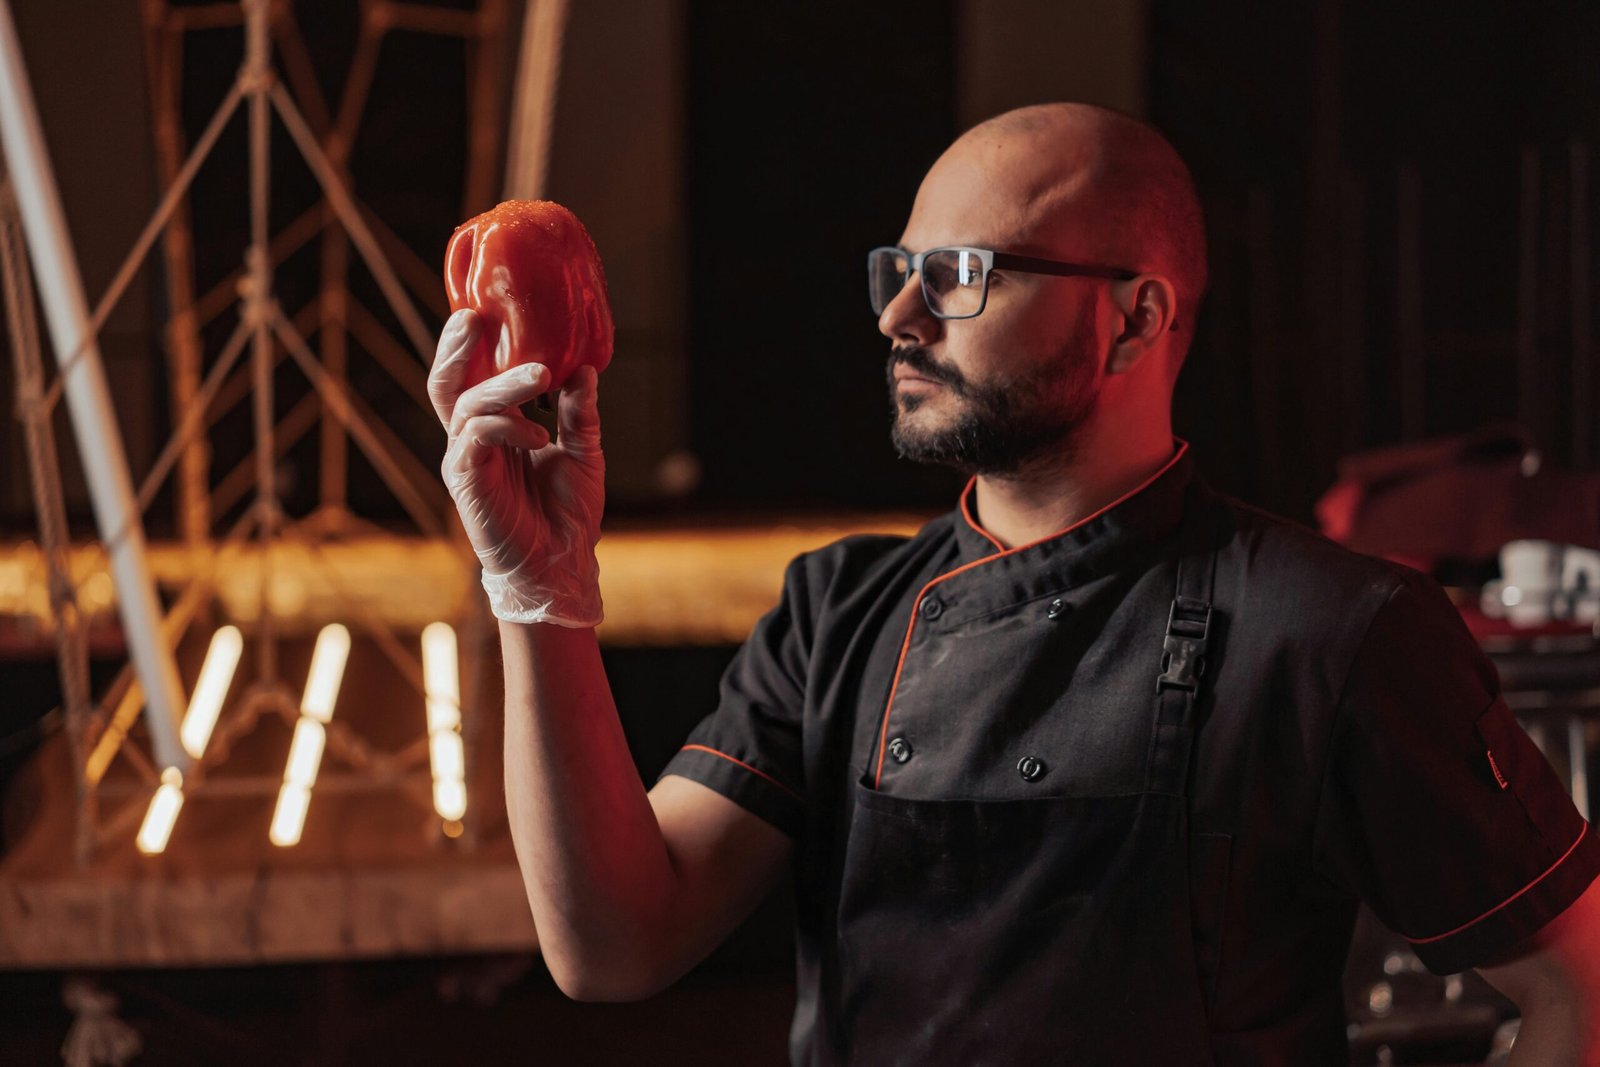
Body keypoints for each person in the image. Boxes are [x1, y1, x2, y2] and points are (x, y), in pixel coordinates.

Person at [427, 103, 1600, 1064]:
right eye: (899, 271)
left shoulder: (1328, 629)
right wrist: (541, 593)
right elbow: (613, 945)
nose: (897, 317)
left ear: (1134, 319)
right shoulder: (837, 613)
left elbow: (1577, 993)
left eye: (961, 274)